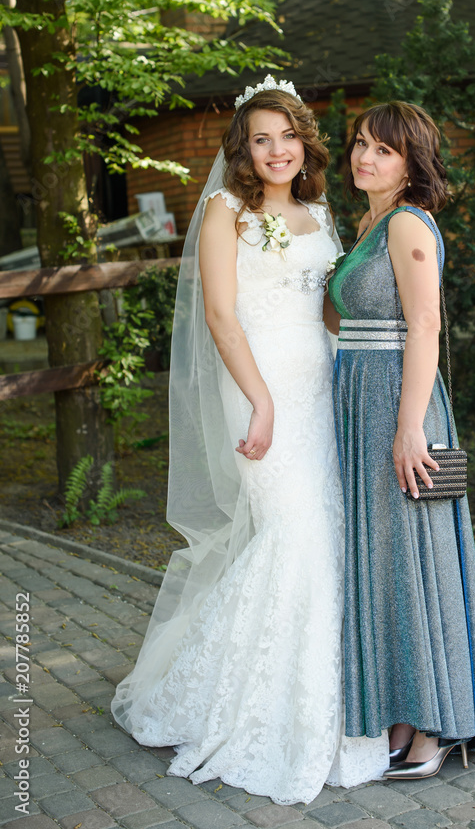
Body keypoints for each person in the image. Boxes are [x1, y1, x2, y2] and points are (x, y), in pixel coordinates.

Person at [111, 76, 388, 804]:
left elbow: (329, 312)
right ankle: (259, 712)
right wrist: (261, 402)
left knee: (325, 534)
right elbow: (223, 321)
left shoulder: (321, 212)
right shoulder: (223, 213)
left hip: (321, 385)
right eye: (261, 138)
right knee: (292, 533)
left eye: (287, 137)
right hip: (258, 391)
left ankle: (329, 704)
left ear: (304, 144)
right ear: (243, 148)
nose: (276, 150)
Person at [326, 101, 475, 781]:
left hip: (402, 405)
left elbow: (424, 325)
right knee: (385, 561)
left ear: (411, 163)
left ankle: (436, 727)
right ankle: (401, 716)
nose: (366, 159)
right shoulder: (369, 224)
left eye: (385, 151)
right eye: (361, 147)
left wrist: (409, 428)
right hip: (359, 401)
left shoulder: (406, 222)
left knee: (416, 558)